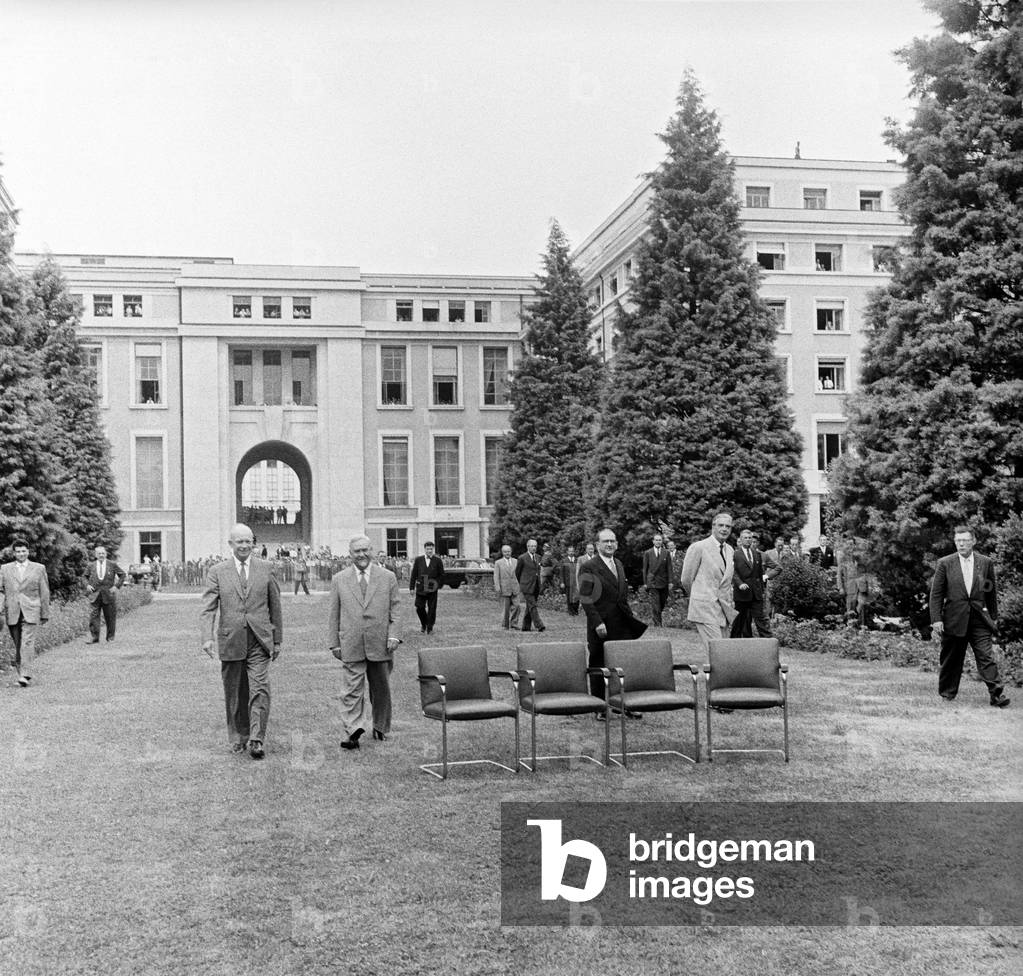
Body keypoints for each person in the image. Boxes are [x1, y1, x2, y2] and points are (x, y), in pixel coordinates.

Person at [200, 524, 283, 759]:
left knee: (259, 689)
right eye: (240, 542)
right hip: (231, 640)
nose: (245, 546)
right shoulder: (217, 571)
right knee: (235, 693)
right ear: (231, 545)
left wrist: (277, 640)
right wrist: (206, 637)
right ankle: (238, 737)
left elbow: (275, 607)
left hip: (259, 640)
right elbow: (208, 608)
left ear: (253, 543)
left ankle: (257, 739)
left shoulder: (266, 568)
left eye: (248, 541)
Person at [328, 534, 403, 749]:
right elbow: (334, 613)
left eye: (365, 550)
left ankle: (381, 726)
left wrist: (394, 635)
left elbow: (396, 609)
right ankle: (352, 731)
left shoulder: (388, 577)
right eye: (356, 551)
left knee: (381, 688)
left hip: (381, 642)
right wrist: (334, 642)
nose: (361, 555)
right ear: (350, 554)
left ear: (371, 551)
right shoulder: (339, 579)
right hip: (351, 642)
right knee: (351, 689)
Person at [928, 525, 1009, 707]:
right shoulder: (945, 563)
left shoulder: (985, 562)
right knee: (951, 658)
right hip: (953, 619)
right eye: (958, 540)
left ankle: (997, 695)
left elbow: (990, 591)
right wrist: (936, 620)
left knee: (985, 656)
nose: (961, 544)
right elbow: (936, 594)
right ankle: (947, 694)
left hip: (979, 619)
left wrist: (993, 617)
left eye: (965, 540)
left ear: (973, 541)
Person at [579, 528, 647, 706]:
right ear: (597, 545)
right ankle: (599, 704)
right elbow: (586, 598)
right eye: (605, 541)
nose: (609, 544)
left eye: (612, 541)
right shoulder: (589, 566)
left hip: (622, 624)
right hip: (602, 625)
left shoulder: (618, 563)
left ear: (616, 544)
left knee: (623, 664)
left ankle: (624, 704)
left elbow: (620, 595)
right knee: (599, 663)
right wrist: (597, 622)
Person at [679, 512, 737, 649]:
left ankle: (715, 671)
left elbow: (727, 581)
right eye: (721, 525)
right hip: (704, 607)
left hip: (723, 608)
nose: (724, 529)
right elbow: (686, 579)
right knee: (717, 650)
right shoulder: (699, 547)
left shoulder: (730, 550)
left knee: (722, 650)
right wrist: (699, 596)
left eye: (728, 526)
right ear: (713, 526)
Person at [0, 540, 50, 687]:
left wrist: (45, 613)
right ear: (14, 553)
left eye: (24, 551)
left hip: (32, 610)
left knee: (27, 642)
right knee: (18, 644)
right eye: (18, 551)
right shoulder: (5, 569)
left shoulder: (39, 568)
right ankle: (21, 673)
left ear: (28, 551)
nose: (21, 554)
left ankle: (24, 675)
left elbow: (45, 591)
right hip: (13, 610)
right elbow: (0, 590)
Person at [730, 527, 772, 638]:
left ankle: (769, 642)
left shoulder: (756, 554)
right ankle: (733, 643)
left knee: (761, 619)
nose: (748, 540)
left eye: (750, 538)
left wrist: (761, 590)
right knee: (739, 621)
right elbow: (732, 572)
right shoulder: (735, 554)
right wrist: (739, 583)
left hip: (756, 594)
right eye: (745, 538)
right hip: (742, 594)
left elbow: (759, 574)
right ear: (741, 539)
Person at [85, 545, 126, 643]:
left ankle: (110, 637)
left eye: (103, 553)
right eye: (99, 553)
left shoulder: (112, 564)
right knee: (93, 617)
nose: (101, 555)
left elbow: (122, 574)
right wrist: (87, 585)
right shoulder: (91, 565)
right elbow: (84, 576)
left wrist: (116, 586)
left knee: (110, 617)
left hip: (109, 595)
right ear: (96, 555)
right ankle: (95, 638)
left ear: (106, 554)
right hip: (95, 595)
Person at [409, 541, 444, 634]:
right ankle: (424, 623)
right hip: (421, 587)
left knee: (432, 608)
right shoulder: (418, 560)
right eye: (428, 549)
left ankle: (430, 627)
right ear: (425, 549)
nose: (429, 551)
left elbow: (441, 575)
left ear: (433, 549)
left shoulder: (438, 560)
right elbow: (414, 574)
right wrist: (411, 587)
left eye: (431, 549)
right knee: (419, 607)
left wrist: (438, 585)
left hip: (433, 588)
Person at [515, 539, 546, 632]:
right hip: (526, 586)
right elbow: (517, 573)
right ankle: (539, 625)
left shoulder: (538, 557)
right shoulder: (522, 558)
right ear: (527, 547)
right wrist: (522, 582)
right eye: (531, 546)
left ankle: (525, 626)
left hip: (536, 585)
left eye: (535, 546)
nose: (533, 548)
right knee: (533, 605)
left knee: (529, 607)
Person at [641, 533, 672, 626]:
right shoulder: (648, 553)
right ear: (653, 541)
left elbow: (669, 568)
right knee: (655, 603)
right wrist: (645, 582)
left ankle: (657, 618)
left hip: (664, 581)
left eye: (660, 540)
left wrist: (670, 581)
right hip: (652, 582)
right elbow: (645, 569)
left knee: (662, 602)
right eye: (656, 540)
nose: (658, 542)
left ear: (662, 541)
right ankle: (658, 624)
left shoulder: (666, 553)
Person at [494, 544, 521, 630]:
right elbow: (496, 576)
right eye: (505, 552)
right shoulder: (498, 563)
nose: (507, 553)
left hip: (515, 588)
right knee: (506, 609)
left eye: (508, 551)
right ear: (502, 552)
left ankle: (514, 623)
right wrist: (497, 587)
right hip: (504, 588)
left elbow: (520, 574)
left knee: (517, 606)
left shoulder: (516, 561)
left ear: (511, 552)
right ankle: (505, 625)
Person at [561, 546, 580, 616]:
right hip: (568, 582)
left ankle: (576, 611)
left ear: (574, 552)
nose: (571, 552)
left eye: (572, 551)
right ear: (567, 552)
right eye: (570, 551)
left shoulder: (577, 560)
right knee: (569, 597)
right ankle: (570, 611)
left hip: (576, 582)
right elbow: (561, 573)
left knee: (576, 597)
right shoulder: (564, 561)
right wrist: (562, 582)